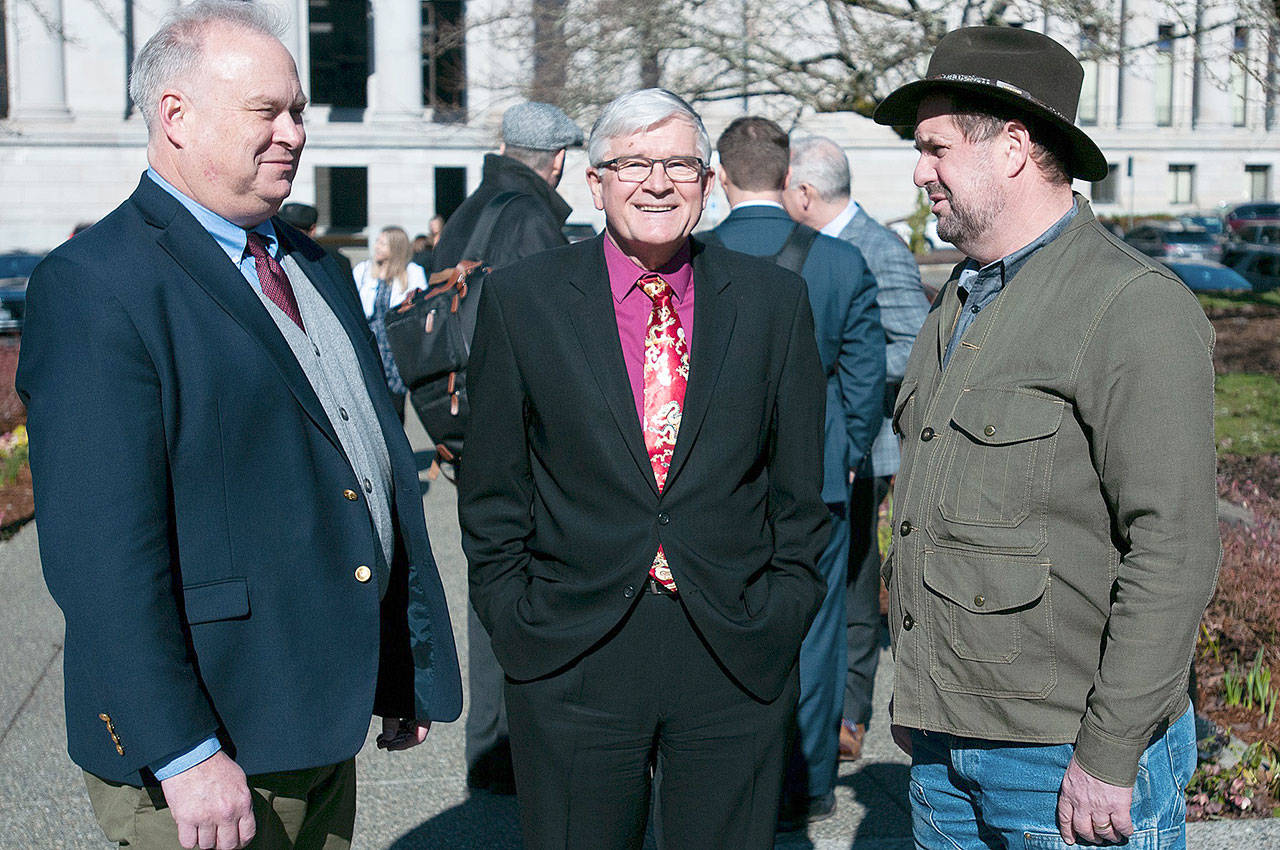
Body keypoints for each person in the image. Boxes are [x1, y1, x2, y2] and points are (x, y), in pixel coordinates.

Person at [15, 3, 461, 848]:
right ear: (175, 116)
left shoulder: (311, 263)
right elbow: (101, 555)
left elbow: (364, 466)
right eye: (268, 111)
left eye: (296, 109)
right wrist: (181, 751)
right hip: (211, 748)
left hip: (317, 725)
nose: (295, 131)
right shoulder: (96, 284)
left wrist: (403, 663)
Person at [873, 26, 1219, 849]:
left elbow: (1173, 549)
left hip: (1065, 761)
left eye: (936, 148)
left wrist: (1110, 752)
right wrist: (922, 710)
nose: (920, 171)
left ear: (1015, 148)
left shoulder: (1132, 304)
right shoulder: (962, 297)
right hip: (945, 752)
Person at [458, 88, 829, 849]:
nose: (657, 183)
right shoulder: (524, 301)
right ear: (594, 183)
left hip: (732, 648)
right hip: (574, 652)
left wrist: (784, 607)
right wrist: (515, 620)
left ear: (708, 181)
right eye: (632, 163)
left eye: (678, 165)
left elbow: (799, 490)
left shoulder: (773, 303)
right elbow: (493, 486)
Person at [711, 116, 884, 829]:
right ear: (789, 178)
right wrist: (846, 455)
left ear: (718, 176)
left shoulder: (689, 258)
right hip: (816, 481)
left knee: (716, 630)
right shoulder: (842, 265)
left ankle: (723, 777)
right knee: (814, 636)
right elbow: (866, 379)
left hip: (709, 485)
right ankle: (806, 781)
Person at [432, 100, 583, 796]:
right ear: (556, 160)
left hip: (466, 426)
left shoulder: (470, 210)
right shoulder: (528, 218)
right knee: (538, 584)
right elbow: (551, 338)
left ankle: (493, 750)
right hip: (520, 437)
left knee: (491, 580)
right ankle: (523, 753)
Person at [781, 134, 932, 765]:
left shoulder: (877, 249)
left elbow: (919, 346)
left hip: (866, 450)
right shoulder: (811, 246)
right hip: (822, 445)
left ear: (807, 192)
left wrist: (842, 361)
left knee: (854, 584)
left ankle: (850, 713)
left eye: (785, 187)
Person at [353, 225, 428, 418]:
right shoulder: (363, 271)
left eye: (382, 243)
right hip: (370, 347)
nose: (377, 247)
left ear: (395, 247)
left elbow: (420, 310)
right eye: (377, 242)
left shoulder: (413, 273)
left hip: (397, 351)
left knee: (395, 407)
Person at [278, 201, 355, 285]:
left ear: (312, 231)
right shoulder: (272, 256)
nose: (287, 234)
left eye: (294, 230)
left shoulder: (334, 261)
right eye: (282, 228)